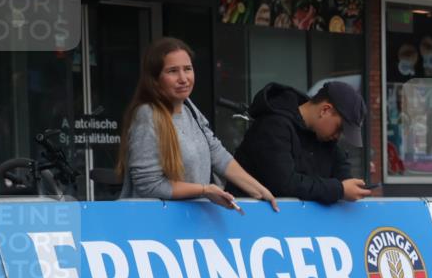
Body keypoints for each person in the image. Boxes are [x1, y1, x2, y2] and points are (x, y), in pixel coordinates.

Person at [117, 38, 277, 212]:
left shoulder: (189, 107)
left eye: (188, 69)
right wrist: (204, 190)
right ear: (155, 79)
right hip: (154, 229)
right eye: (172, 71)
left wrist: (258, 189)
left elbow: (217, 154)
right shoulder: (147, 115)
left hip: (190, 226)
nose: (183, 78)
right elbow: (148, 185)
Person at [227, 82, 371, 204]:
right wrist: (340, 189)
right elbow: (284, 185)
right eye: (339, 128)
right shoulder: (272, 125)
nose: (338, 136)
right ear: (325, 110)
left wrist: (352, 185)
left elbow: (341, 169)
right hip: (248, 223)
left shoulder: (323, 137)